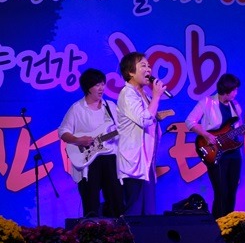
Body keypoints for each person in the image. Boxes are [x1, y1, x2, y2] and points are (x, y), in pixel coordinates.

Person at [58, 68, 124, 218]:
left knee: (116, 202)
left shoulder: (110, 107)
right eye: (97, 85)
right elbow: (63, 131)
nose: (101, 88)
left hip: (111, 159)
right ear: (88, 87)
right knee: (91, 203)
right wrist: (78, 140)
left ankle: (117, 229)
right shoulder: (77, 108)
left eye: (103, 84)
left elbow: (121, 129)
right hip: (88, 162)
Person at [185, 73, 243, 218]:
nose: (236, 93)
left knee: (232, 191)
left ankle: (230, 223)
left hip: (234, 153)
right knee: (221, 191)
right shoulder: (207, 102)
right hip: (215, 152)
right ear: (226, 90)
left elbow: (238, 129)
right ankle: (218, 224)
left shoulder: (235, 106)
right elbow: (190, 121)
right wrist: (206, 134)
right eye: (234, 90)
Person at [115, 52, 166, 216]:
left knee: (149, 213)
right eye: (143, 65)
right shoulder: (127, 93)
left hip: (147, 161)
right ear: (130, 72)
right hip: (134, 163)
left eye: (149, 66)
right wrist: (156, 96)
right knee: (135, 213)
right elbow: (144, 120)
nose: (148, 69)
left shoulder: (143, 94)